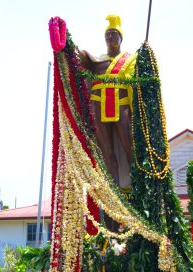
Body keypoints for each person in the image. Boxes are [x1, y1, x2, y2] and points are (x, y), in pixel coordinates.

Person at [79, 15, 136, 189]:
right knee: (106, 151)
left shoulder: (130, 60)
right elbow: (79, 59)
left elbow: (135, 82)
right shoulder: (97, 61)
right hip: (99, 107)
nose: (110, 37)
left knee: (129, 148)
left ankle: (137, 188)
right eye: (108, 34)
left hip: (122, 106)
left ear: (120, 38)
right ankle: (113, 192)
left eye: (114, 34)